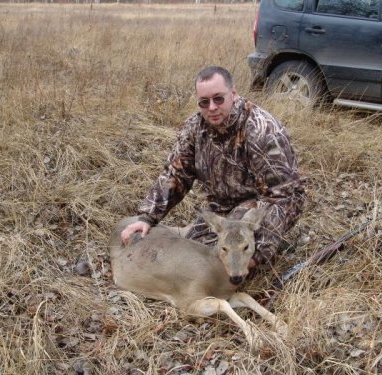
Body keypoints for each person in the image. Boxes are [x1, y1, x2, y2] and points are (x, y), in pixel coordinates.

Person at [121, 66, 305, 270]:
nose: (211, 107)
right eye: (204, 102)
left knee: (225, 264)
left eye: (218, 99)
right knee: (193, 253)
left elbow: (283, 198)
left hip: (264, 204)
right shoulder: (194, 128)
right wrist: (147, 218)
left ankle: (268, 250)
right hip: (221, 208)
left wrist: (257, 254)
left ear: (233, 94)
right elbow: (176, 175)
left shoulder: (263, 131)